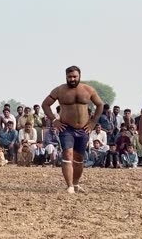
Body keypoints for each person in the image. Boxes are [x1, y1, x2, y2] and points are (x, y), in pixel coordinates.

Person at [41, 66, 103, 194]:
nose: (72, 79)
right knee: (67, 154)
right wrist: (54, 120)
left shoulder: (88, 89)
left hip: (83, 129)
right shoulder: (60, 90)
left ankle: (75, 184)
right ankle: (69, 186)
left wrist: (93, 122)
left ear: (79, 76)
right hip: (66, 128)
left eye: (75, 76)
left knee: (79, 158)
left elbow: (100, 105)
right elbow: (45, 104)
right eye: (70, 77)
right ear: (66, 77)